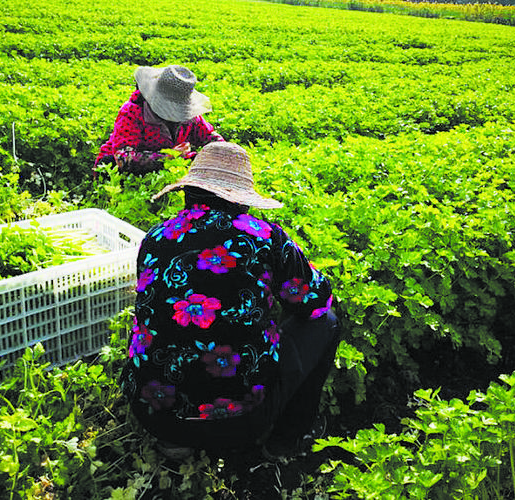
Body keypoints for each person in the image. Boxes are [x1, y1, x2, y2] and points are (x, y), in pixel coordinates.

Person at [119, 141, 340, 460]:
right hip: (240, 423)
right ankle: (285, 440)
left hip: (153, 414)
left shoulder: (155, 238)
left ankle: (175, 439)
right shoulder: (265, 238)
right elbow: (314, 301)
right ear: (242, 200)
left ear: (188, 192)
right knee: (326, 323)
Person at [95, 64, 224, 175]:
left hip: (167, 169)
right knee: (109, 163)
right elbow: (123, 158)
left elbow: (210, 138)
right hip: (121, 170)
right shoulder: (133, 112)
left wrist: (226, 153)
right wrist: (169, 156)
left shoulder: (188, 115)